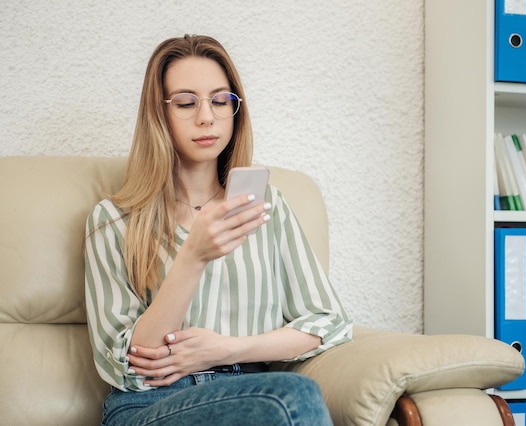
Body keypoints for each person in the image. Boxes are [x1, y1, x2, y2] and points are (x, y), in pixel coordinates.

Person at [84, 34, 352, 426]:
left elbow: (327, 322)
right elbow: (131, 365)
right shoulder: (113, 221)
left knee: (288, 397)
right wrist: (193, 255)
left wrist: (226, 350)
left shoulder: (267, 207)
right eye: (186, 102)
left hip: (254, 393)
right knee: (290, 399)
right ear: (159, 114)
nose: (206, 117)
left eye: (220, 100)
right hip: (151, 405)